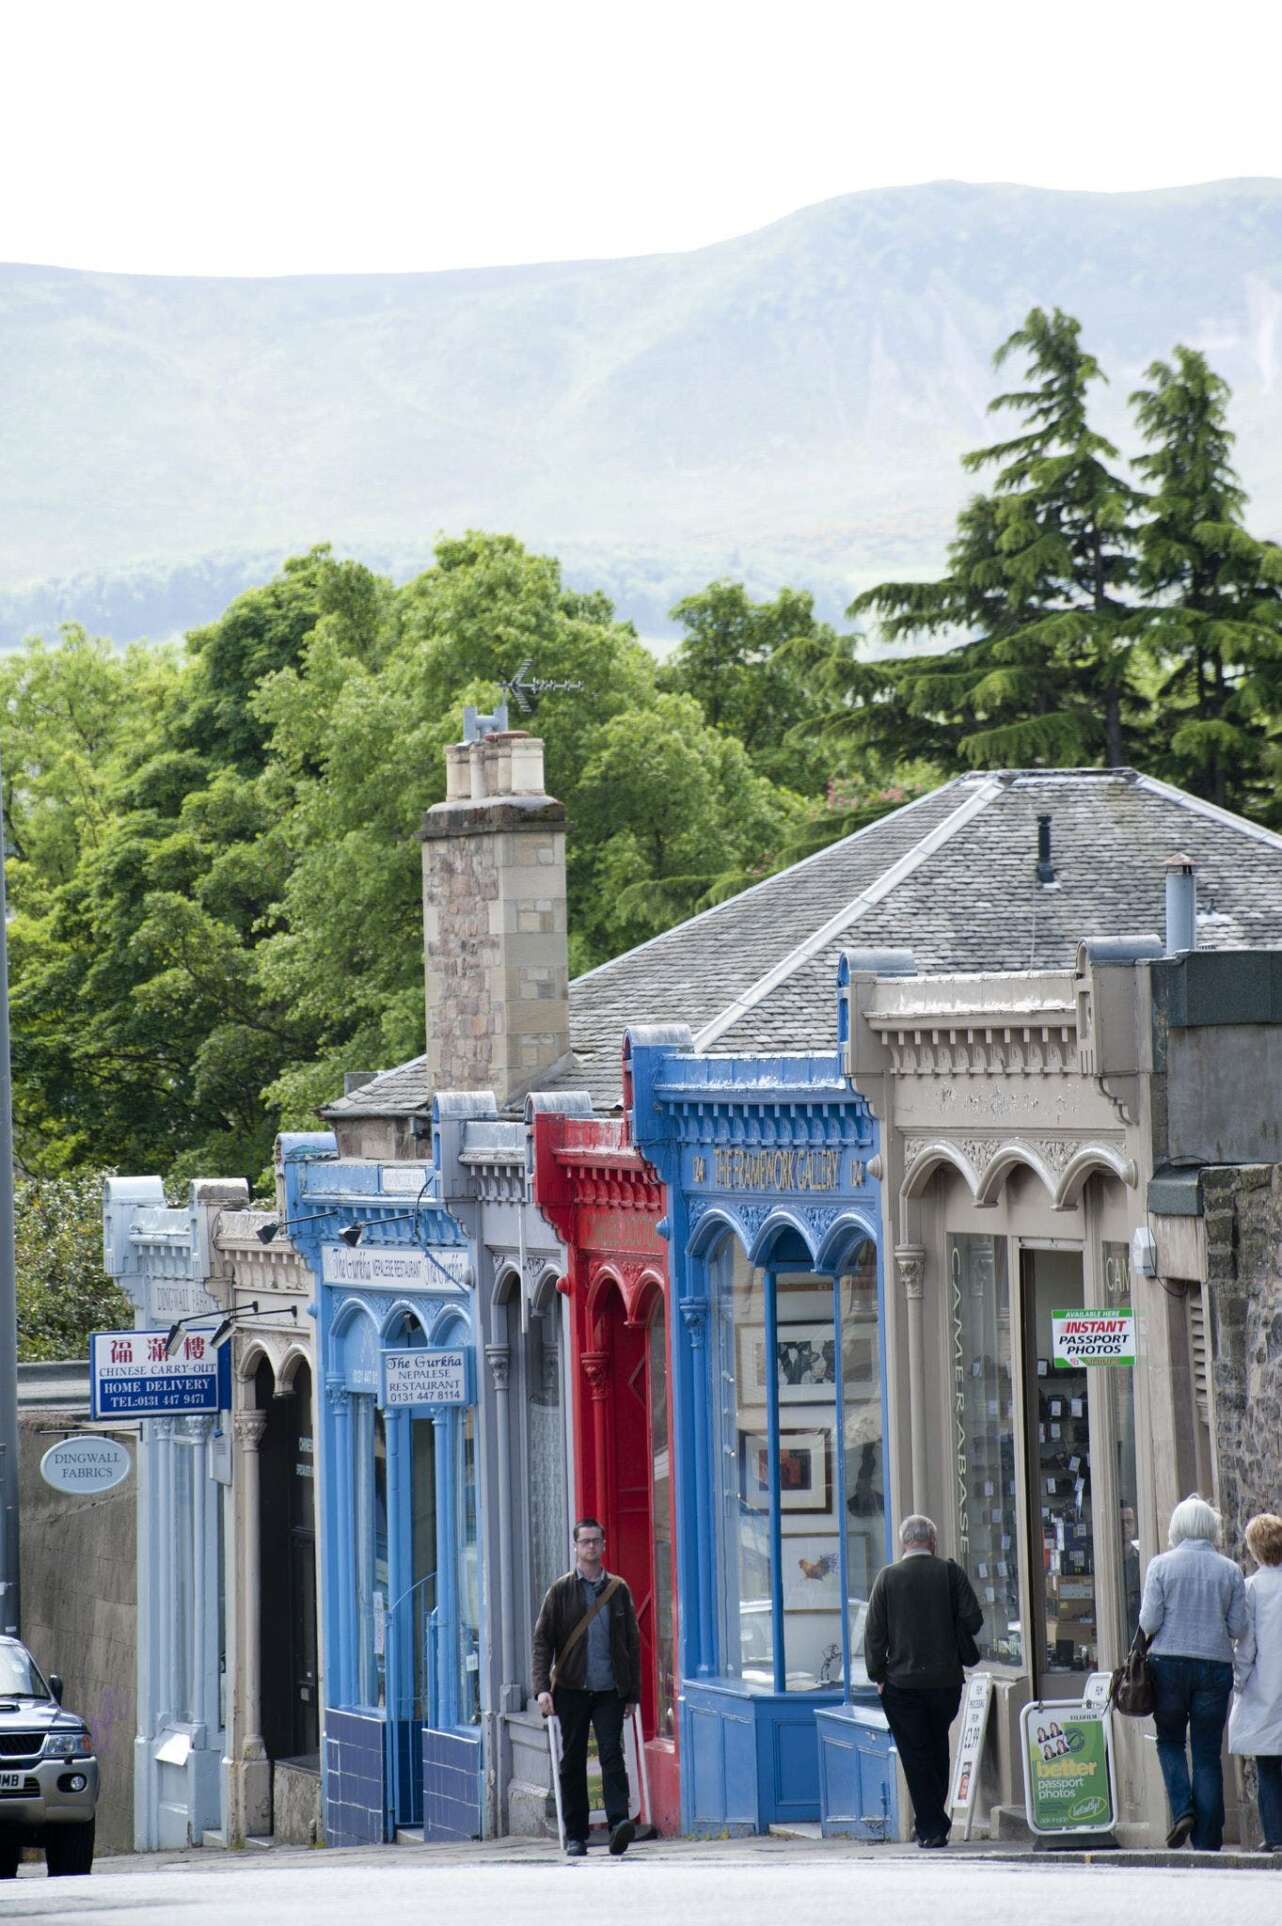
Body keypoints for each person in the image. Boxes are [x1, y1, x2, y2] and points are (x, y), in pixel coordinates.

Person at [864, 1513, 983, 1848]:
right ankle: (934, 1821)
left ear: (904, 1541)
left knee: (915, 1755)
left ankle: (931, 1826)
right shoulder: (949, 1572)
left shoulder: (887, 1578)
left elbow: (874, 1635)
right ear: (932, 1541)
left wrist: (878, 1675)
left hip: (901, 1684)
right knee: (937, 1746)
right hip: (945, 1681)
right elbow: (974, 1620)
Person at [1139, 1493, 1248, 1851]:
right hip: (1215, 1666)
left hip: (1167, 1664)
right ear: (1210, 1528)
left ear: (1177, 1528)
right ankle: (1207, 1841)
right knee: (1206, 1753)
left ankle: (1182, 1807)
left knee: (1169, 1741)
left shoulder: (1161, 1565)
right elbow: (1238, 1627)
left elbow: (1150, 1621)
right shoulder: (1230, 1570)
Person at [533, 1517, 642, 1857]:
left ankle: (618, 1824)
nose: (591, 1547)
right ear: (576, 1547)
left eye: (596, 1541)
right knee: (573, 1761)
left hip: (609, 1689)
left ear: (603, 1545)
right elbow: (542, 1642)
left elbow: (632, 1644)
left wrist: (632, 1695)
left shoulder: (618, 1590)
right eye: (585, 1542)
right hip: (571, 1689)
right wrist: (542, 1689)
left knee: (612, 1755)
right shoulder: (561, 1590)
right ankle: (577, 1834)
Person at [1228, 1512, 1282, 1852]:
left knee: (1269, 1767)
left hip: (1266, 1687)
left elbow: (1246, 1646)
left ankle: (1275, 1836)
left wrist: (1238, 1680)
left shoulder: (1252, 1589)